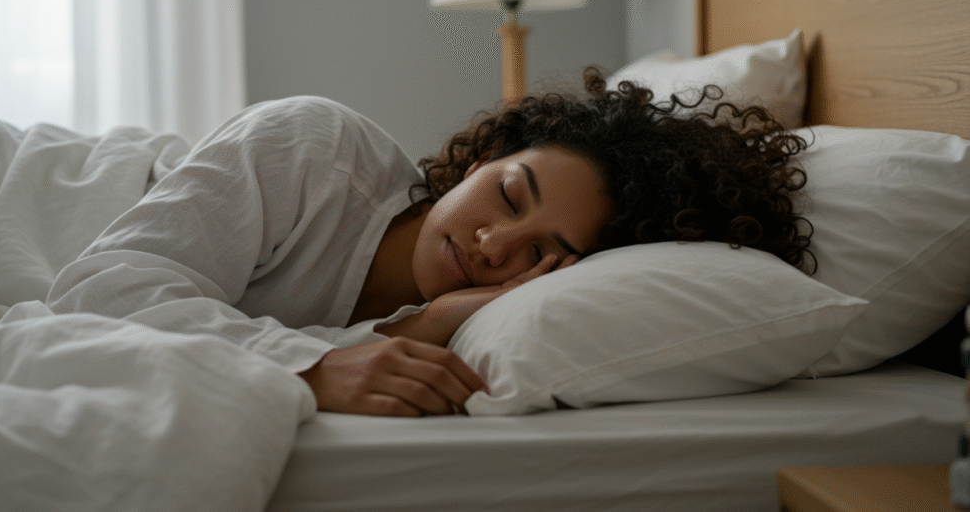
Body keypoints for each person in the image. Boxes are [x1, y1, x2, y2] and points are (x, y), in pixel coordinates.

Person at [46, 67, 813, 418]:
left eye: (541, 254)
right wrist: (308, 370)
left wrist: (419, 328)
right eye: (509, 194)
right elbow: (96, 290)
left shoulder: (448, 330)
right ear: (482, 160)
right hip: (17, 194)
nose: (492, 243)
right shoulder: (314, 147)